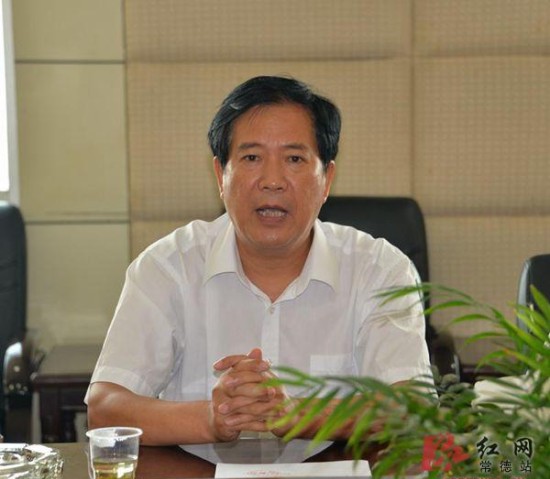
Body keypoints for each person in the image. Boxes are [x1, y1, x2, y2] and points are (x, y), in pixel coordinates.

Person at [86, 75, 432, 445]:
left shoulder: (380, 270)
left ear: (327, 179)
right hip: (199, 475)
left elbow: (413, 407)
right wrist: (211, 418)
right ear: (220, 175)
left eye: (294, 159)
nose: (272, 180)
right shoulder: (168, 266)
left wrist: (297, 414)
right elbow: (104, 408)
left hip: (335, 474)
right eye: (251, 158)